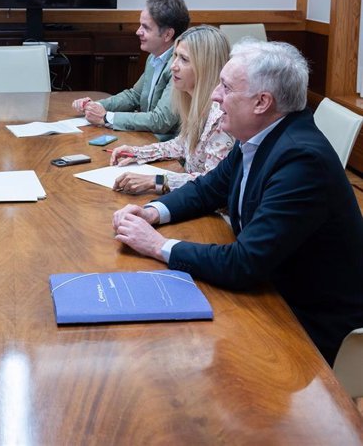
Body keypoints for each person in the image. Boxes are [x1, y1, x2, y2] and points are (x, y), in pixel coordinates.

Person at [111, 40, 363, 365]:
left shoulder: (301, 159)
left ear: (262, 102)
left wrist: (158, 245)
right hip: (270, 292)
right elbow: (208, 189)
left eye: (226, 88)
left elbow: (244, 263)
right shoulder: (259, 135)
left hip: (310, 323)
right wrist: (152, 212)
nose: (215, 95)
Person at [109, 25, 234, 195]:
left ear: (205, 66)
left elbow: (211, 181)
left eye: (184, 59)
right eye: (175, 56)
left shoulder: (221, 115)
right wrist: (137, 152)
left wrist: (156, 181)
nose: (172, 66)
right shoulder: (196, 103)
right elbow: (182, 145)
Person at [72, 0, 189, 140]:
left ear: (167, 34)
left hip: (169, 149)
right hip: (145, 138)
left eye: (145, 27)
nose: (138, 31)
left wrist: (107, 117)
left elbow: (161, 121)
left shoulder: (179, 67)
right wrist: (95, 106)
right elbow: (134, 96)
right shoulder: (154, 57)